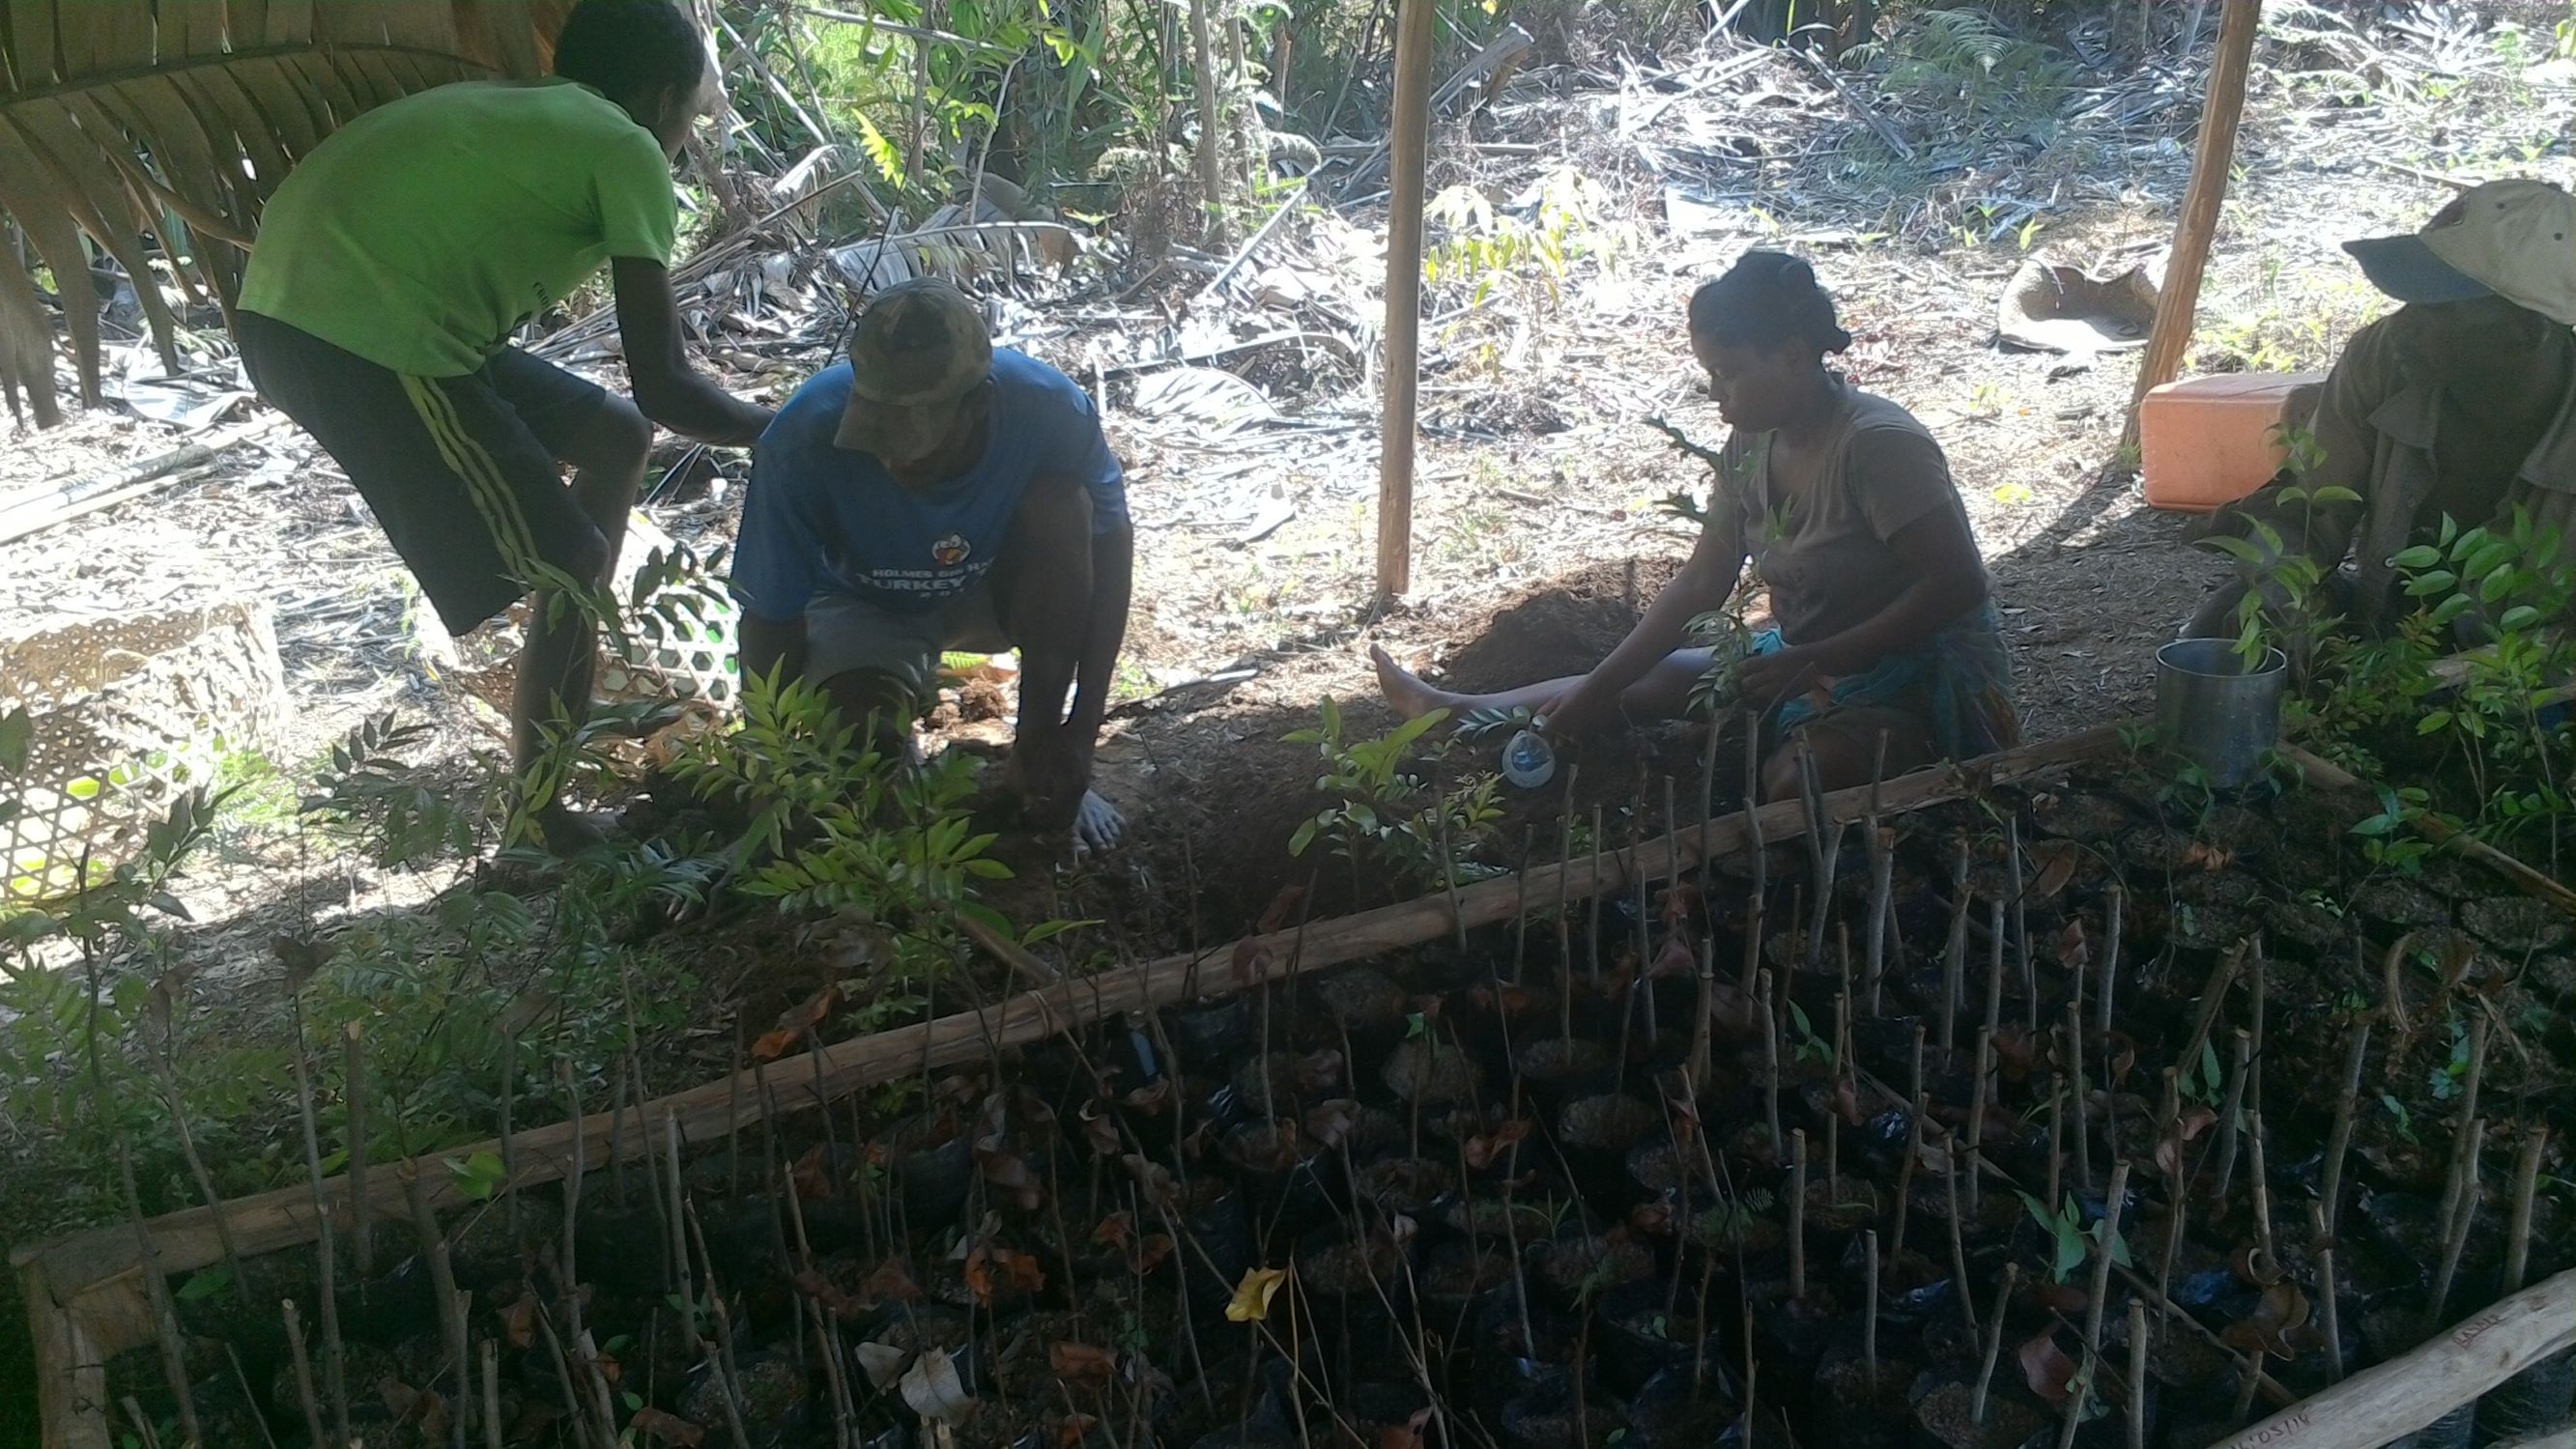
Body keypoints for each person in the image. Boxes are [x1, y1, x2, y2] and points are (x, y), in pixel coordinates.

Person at [234, 0, 774, 847]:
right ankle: (539, 816)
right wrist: (787, 429)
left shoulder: (523, 106)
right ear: (661, 95)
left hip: (310, 309)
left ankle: (576, 643)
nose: (685, 139)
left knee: (615, 437)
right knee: (569, 560)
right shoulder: (625, 144)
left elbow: (645, 415)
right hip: (356, 334)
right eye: (691, 116)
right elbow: (667, 386)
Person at [1373, 251, 2018, 801]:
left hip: (1917, 675)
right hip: (1804, 653)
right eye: (1712, 375)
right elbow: (1701, 582)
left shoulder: (1879, 448)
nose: (1717, 393)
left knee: (1794, 782)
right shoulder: (1751, 446)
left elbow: (1958, 586)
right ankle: (1455, 712)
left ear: (1794, 356)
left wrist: (1823, 658)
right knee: (1647, 681)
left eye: (1729, 373)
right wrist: (1602, 689)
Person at [730, 279, 1134, 854]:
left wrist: (1079, 733)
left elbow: (1110, 545)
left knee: (1062, 504)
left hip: (993, 584)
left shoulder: (1048, 407)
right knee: (859, 761)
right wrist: (769, 774)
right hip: (861, 600)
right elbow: (769, 615)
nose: (893, 458)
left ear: (979, 402)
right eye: (880, 432)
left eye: (917, 437)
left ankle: (1036, 750)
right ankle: (888, 727)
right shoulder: (802, 437)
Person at [2186, 179, 2576, 639]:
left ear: (2528, 333)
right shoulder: (2381, 357)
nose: (2404, 324)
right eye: (2412, 297)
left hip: (2532, 675)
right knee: (2230, 622)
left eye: (2440, 308)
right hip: (2388, 638)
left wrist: (2488, 681)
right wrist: (2282, 598)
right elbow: (2309, 513)